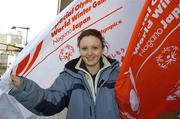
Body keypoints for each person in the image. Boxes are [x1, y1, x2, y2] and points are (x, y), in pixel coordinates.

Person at [9, 29, 121, 119]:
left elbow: (132, 107)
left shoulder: (118, 74)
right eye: (84, 48)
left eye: (95, 48)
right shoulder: (68, 77)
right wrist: (24, 86)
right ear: (79, 49)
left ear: (102, 49)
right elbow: (49, 102)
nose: (89, 53)